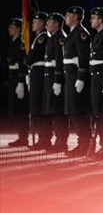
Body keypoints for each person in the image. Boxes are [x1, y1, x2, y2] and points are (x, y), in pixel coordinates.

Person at [63, 6, 92, 156]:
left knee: (79, 112)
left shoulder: (81, 33)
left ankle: (85, 144)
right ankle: (83, 144)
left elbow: (84, 57)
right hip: (70, 76)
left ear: (76, 17)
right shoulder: (72, 33)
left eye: (69, 14)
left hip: (76, 77)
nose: (66, 16)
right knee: (73, 112)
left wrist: (81, 77)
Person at [42, 12, 69, 154]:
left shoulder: (60, 39)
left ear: (57, 24)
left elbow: (60, 61)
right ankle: (57, 141)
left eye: (50, 22)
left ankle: (61, 142)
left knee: (58, 112)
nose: (47, 24)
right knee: (53, 111)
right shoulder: (52, 38)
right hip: (49, 77)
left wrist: (58, 80)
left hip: (55, 78)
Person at [88, 7, 103, 159]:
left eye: (94, 18)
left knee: (102, 114)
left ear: (101, 20)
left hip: (101, 78)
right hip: (94, 77)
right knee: (96, 113)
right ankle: (101, 145)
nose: (91, 20)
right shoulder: (98, 35)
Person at [26, 12, 50, 150]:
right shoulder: (38, 37)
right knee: (35, 106)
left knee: (39, 106)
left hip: (40, 74)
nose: (33, 24)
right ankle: (42, 138)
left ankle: (44, 138)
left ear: (42, 23)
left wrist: (27, 60)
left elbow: (35, 55)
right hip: (36, 73)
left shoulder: (43, 37)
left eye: (35, 22)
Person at [6, 18, 29, 147]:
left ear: (19, 29)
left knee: (20, 110)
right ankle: (21, 136)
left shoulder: (20, 43)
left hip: (18, 79)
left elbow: (22, 64)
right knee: (16, 109)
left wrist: (21, 82)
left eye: (12, 27)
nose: (9, 29)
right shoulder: (13, 43)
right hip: (12, 78)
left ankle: (23, 137)